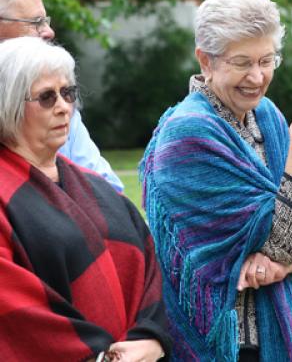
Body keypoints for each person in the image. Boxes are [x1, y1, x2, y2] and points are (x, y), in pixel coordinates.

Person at [140, 0, 292, 361]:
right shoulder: (189, 133)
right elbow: (280, 237)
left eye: (267, 61)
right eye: (242, 62)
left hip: (281, 331)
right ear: (206, 61)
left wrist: (287, 264)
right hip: (227, 344)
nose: (257, 76)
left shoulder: (269, 117)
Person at [0, 36, 171, 361]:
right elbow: (8, 303)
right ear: (8, 105)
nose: (64, 106)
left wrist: (151, 337)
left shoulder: (99, 188)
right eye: (47, 97)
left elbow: (150, 269)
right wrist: (99, 356)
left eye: (68, 93)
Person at [0, 0, 123, 192]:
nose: (49, 32)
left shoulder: (60, 112)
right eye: (35, 22)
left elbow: (109, 191)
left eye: (66, 94)